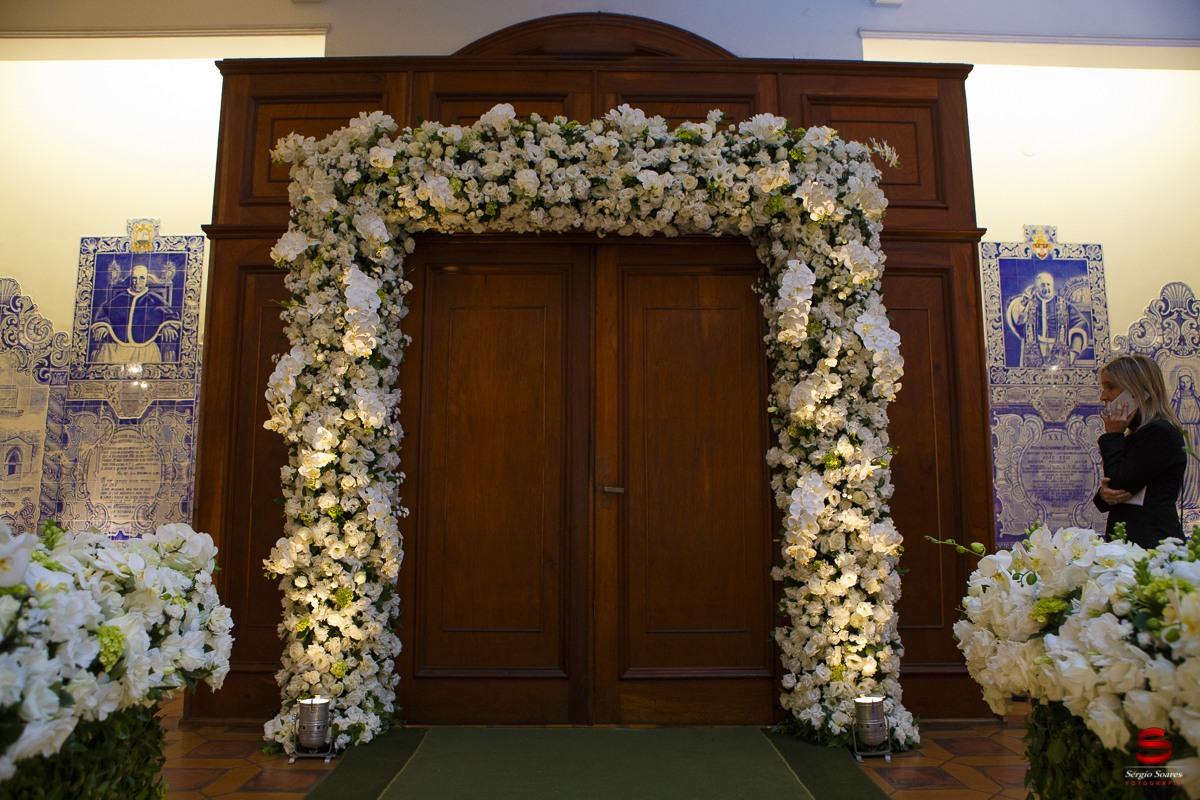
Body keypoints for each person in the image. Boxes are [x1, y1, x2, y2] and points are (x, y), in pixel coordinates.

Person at [1093, 354, 1187, 548]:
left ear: (1136, 391)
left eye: (1110, 387)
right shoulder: (1138, 434)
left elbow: (1119, 484)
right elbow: (1110, 495)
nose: (1103, 396)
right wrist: (1104, 494)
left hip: (1152, 546)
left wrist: (1113, 435)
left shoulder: (1159, 432)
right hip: (1134, 545)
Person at [90, 265, 180, 363]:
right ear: (131, 280)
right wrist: (102, 326)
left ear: (146, 280)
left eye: (141, 278)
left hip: (145, 347)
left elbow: (169, 315)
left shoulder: (155, 299)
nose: (137, 282)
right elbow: (105, 313)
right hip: (117, 347)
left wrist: (168, 327)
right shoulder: (119, 299)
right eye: (134, 278)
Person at [1005, 272, 1089, 368]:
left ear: (1052, 286)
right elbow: (1018, 321)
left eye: (1048, 284)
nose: (1046, 288)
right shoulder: (1029, 303)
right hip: (1034, 348)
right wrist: (1023, 303)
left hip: (1058, 348)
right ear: (1037, 287)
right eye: (1042, 285)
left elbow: (1081, 323)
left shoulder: (1064, 305)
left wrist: (1074, 351)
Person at [1172, 370, 1200, 513]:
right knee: (1184, 464)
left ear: (1192, 383)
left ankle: (1193, 498)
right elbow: (1170, 415)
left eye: (1187, 382)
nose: (1185, 385)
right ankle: (1181, 498)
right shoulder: (1176, 398)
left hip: (1195, 434)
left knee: (1194, 466)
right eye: (1182, 382)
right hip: (1181, 433)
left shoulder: (1197, 397)